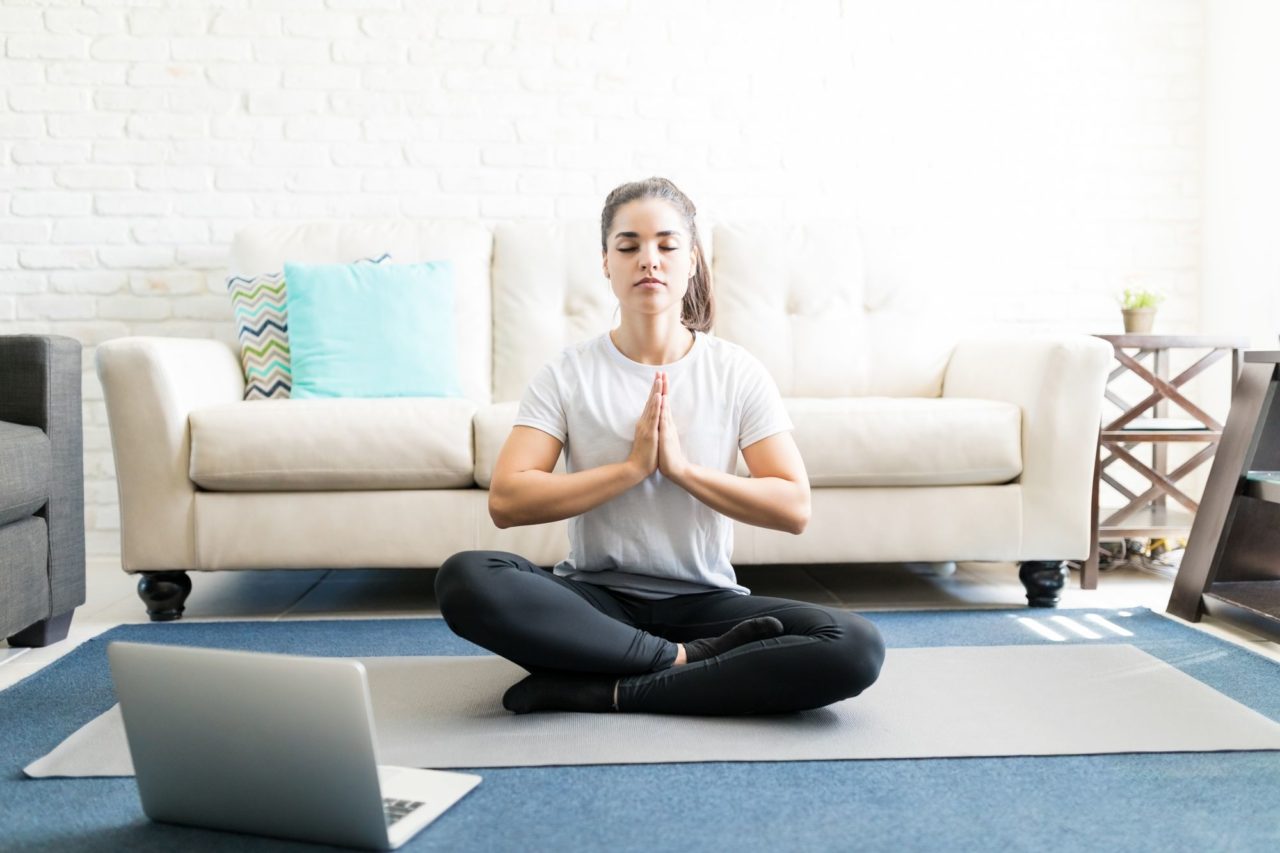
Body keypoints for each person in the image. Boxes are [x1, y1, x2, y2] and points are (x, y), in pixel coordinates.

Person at [435, 177, 885, 716]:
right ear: (606, 262)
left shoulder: (735, 371)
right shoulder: (567, 374)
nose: (649, 259)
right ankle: (681, 663)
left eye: (667, 246)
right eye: (629, 246)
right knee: (466, 577)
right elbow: (507, 502)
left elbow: (794, 507)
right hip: (594, 601)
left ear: (691, 261)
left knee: (854, 646)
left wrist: (681, 470)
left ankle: (611, 686)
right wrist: (630, 469)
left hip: (704, 602)